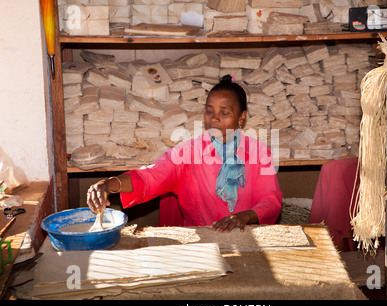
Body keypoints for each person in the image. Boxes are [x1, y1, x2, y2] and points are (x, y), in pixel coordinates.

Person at [87, 75, 282, 233]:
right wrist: (108, 184)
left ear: (242, 117)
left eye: (224, 113)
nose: (214, 118)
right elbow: (150, 177)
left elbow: (271, 201)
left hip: (247, 237)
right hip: (201, 241)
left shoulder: (259, 153)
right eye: (209, 111)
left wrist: (245, 217)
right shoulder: (189, 153)